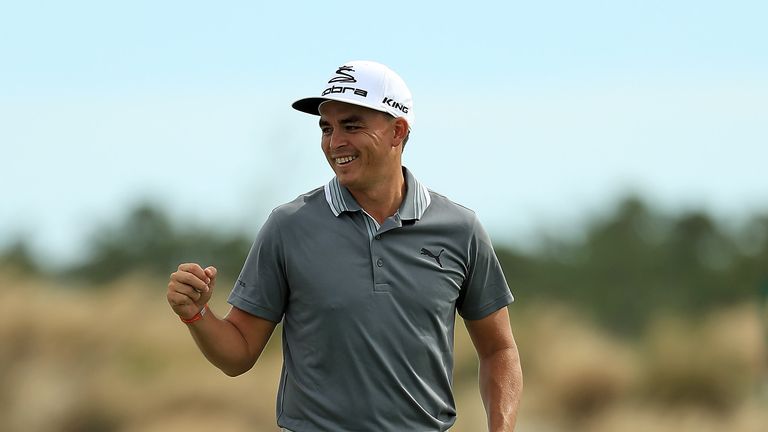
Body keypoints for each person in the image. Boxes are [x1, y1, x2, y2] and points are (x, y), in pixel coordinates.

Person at [166, 60, 523, 431]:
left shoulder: (460, 229)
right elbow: (238, 353)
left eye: (352, 126)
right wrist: (196, 314)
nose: (335, 142)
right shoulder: (289, 226)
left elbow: (499, 350)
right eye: (326, 128)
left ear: (397, 131)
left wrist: (502, 427)